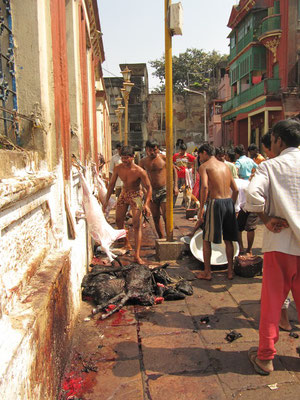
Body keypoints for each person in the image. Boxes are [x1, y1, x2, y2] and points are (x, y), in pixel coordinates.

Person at [246, 119, 300, 375]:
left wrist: (266, 220)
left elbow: (252, 195)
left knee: (272, 303)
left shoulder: (270, 165)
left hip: (280, 242)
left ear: (278, 140)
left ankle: (266, 357)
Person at [195, 144, 239, 280]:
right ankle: (230, 271)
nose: (199, 158)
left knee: (207, 238)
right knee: (229, 239)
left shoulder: (205, 166)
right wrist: (231, 204)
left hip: (215, 203)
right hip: (228, 202)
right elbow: (236, 190)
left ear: (204, 152)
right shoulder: (225, 165)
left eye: (200, 155)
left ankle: (207, 272)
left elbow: (205, 187)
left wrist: (201, 208)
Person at [103, 145, 152, 265]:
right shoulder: (118, 168)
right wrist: (106, 201)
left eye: (126, 158)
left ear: (132, 157)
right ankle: (127, 244)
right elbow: (111, 185)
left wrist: (146, 204)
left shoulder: (140, 171)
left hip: (137, 197)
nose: (124, 161)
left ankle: (137, 255)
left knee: (137, 224)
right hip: (124, 194)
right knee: (118, 220)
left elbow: (149, 188)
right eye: (122, 158)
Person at [140, 139, 178, 238]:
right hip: (151, 191)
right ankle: (161, 238)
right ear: (146, 149)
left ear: (157, 149)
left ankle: (170, 238)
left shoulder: (164, 158)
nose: (153, 152)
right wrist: (144, 189)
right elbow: (139, 176)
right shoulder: (143, 161)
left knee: (166, 216)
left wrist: (176, 186)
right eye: (150, 150)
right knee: (156, 217)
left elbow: (174, 170)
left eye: (155, 150)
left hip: (164, 190)